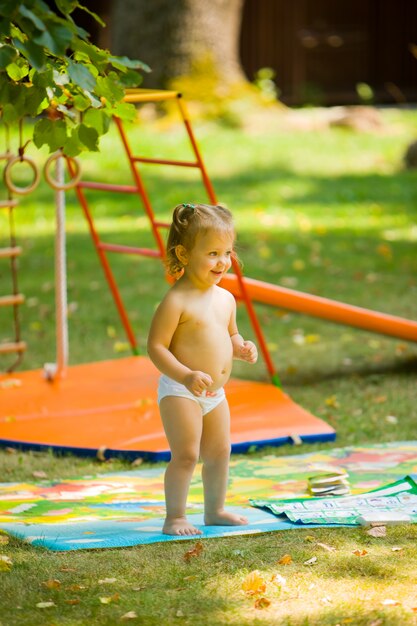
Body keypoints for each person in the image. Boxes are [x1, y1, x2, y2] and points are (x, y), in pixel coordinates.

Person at [147, 203, 258, 536]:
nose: (223, 261)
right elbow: (156, 347)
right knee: (186, 454)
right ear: (183, 253)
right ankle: (176, 517)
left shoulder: (225, 298)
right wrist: (185, 375)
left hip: (215, 393)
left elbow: (230, 333)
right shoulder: (176, 301)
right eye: (212, 253)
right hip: (182, 391)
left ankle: (215, 510)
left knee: (220, 450)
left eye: (227, 252)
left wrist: (240, 347)